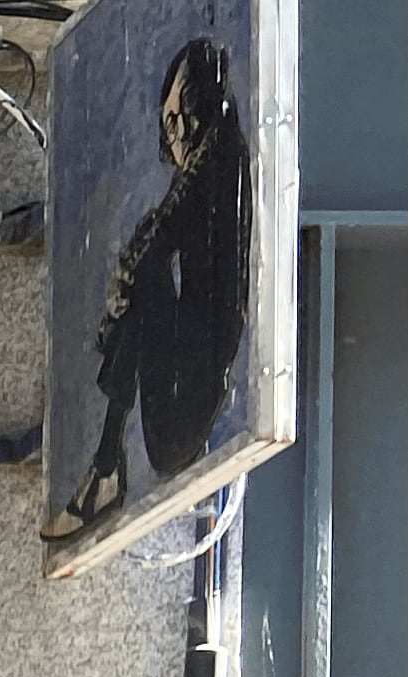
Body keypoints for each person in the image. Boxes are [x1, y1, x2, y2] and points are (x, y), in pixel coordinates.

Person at [46, 35, 251, 547]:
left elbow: (159, 236)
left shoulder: (218, 152)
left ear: (203, 103)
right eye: (168, 124)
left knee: (145, 273)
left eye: (178, 115)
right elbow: (162, 231)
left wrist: (120, 298)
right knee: (145, 269)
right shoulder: (217, 158)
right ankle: (105, 466)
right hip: (187, 389)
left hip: (191, 403)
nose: (173, 134)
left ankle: (105, 469)